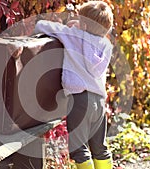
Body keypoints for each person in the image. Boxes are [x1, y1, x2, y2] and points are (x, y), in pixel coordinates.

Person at [34, 1, 114, 169]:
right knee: (100, 147)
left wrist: (72, 27)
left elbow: (43, 26)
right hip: (99, 103)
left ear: (83, 23)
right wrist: (79, 25)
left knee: (79, 149)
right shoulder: (107, 45)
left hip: (79, 101)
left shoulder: (73, 36)